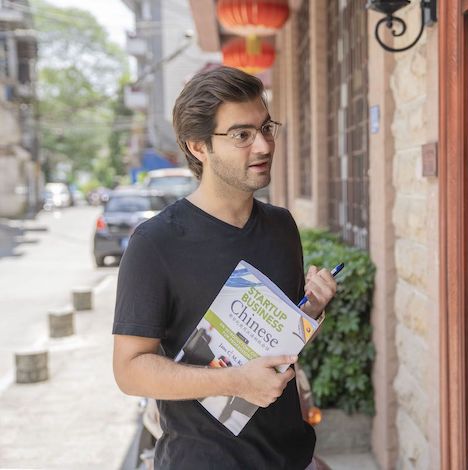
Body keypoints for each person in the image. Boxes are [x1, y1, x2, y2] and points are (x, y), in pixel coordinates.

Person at [112, 66, 337, 470]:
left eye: (266, 128)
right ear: (198, 146)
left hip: (290, 457)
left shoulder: (281, 226)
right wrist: (235, 380)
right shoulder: (155, 243)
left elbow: (274, 350)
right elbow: (129, 370)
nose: (264, 145)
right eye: (241, 135)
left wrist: (309, 312)